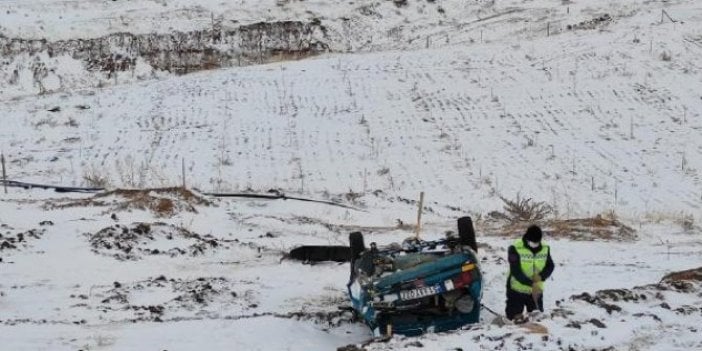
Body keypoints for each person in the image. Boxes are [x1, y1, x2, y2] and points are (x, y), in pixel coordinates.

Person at [505, 225, 555, 321]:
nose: (535, 244)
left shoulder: (545, 248)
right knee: (513, 321)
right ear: (527, 238)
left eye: (537, 242)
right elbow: (515, 271)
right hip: (516, 290)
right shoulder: (515, 248)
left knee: (537, 320)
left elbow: (550, 266)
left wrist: (541, 276)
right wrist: (531, 283)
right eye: (533, 242)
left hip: (536, 292)